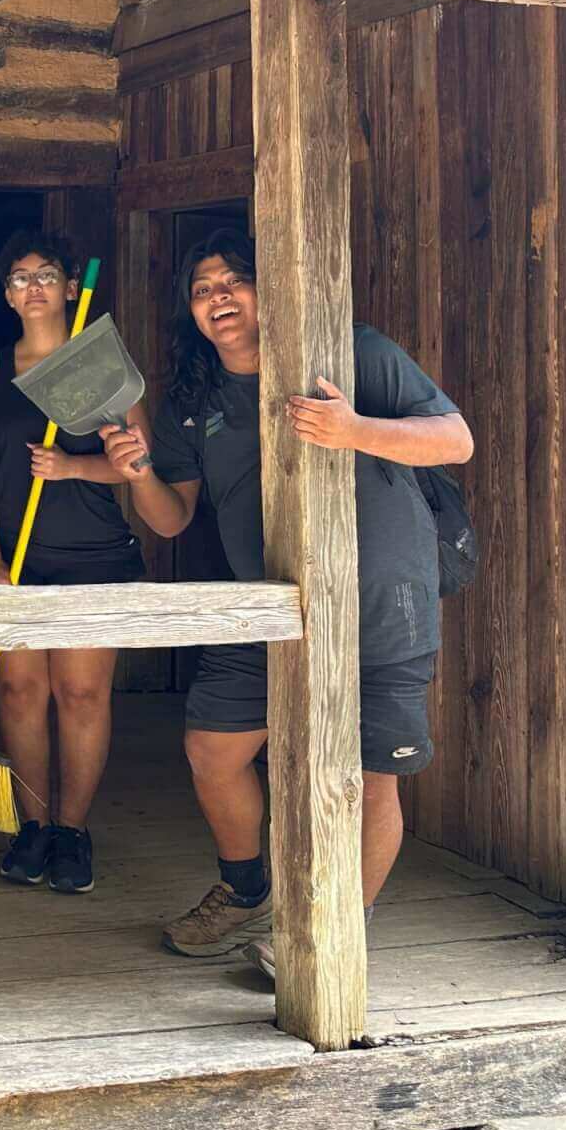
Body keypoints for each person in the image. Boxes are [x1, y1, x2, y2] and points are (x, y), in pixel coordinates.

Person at [100, 228, 473, 970]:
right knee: (213, 749)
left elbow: (455, 440)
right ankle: (247, 893)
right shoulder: (193, 398)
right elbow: (172, 518)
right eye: (203, 291)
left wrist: (354, 429)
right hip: (265, 604)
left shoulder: (353, 351)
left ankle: (339, 931)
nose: (220, 298)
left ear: (269, 290)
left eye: (234, 281)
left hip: (380, 596)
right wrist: (136, 472)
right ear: (193, 314)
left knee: (370, 775)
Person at [0, 231, 144, 896]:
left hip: (95, 556)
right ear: (6, 295)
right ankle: (31, 826)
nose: (32, 286)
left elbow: (135, 468)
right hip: (15, 560)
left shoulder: (100, 366)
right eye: (18, 277)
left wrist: (72, 466)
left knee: (82, 694)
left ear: (72, 287)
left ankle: (72, 829)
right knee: (19, 693)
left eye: (46, 274)